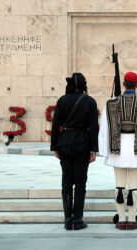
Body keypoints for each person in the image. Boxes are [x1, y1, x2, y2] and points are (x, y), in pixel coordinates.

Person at [98, 72, 137, 230]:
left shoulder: (111, 103)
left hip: (117, 148)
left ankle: (120, 219)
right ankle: (131, 220)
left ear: (124, 84)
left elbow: (105, 128)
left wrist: (105, 149)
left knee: (119, 186)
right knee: (133, 186)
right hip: (136, 149)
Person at [51, 73, 98, 230]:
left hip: (65, 142)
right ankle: (77, 219)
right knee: (80, 183)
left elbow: (55, 124)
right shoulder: (89, 101)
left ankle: (67, 220)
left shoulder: (62, 100)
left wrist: (54, 147)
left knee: (66, 181)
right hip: (83, 143)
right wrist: (93, 149)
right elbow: (93, 128)